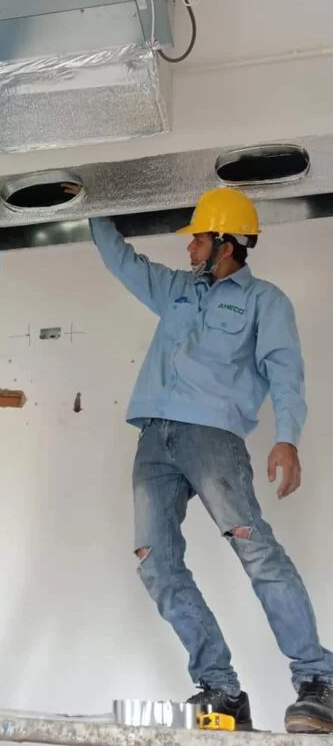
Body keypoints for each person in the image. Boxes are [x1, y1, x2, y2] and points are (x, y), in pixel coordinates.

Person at [89, 187, 333, 733]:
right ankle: (221, 690)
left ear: (226, 244)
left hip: (213, 438)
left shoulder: (265, 301)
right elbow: (122, 261)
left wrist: (287, 438)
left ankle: (318, 680)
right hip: (154, 437)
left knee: (256, 551)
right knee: (155, 561)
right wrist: (90, 205)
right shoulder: (177, 289)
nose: (190, 246)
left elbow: (286, 373)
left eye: (199, 238)